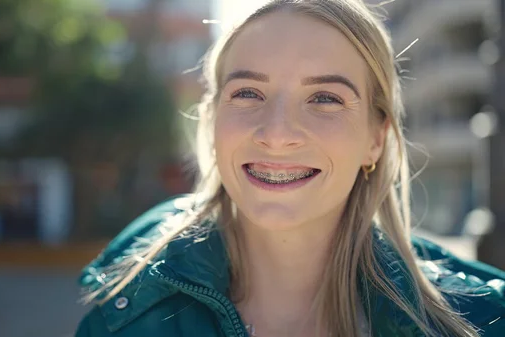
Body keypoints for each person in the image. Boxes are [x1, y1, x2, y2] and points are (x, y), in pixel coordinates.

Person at [75, 1, 505, 336]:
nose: (277, 134)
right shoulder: (125, 313)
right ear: (213, 121)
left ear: (376, 139)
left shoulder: (483, 322)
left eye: (325, 99)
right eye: (248, 93)